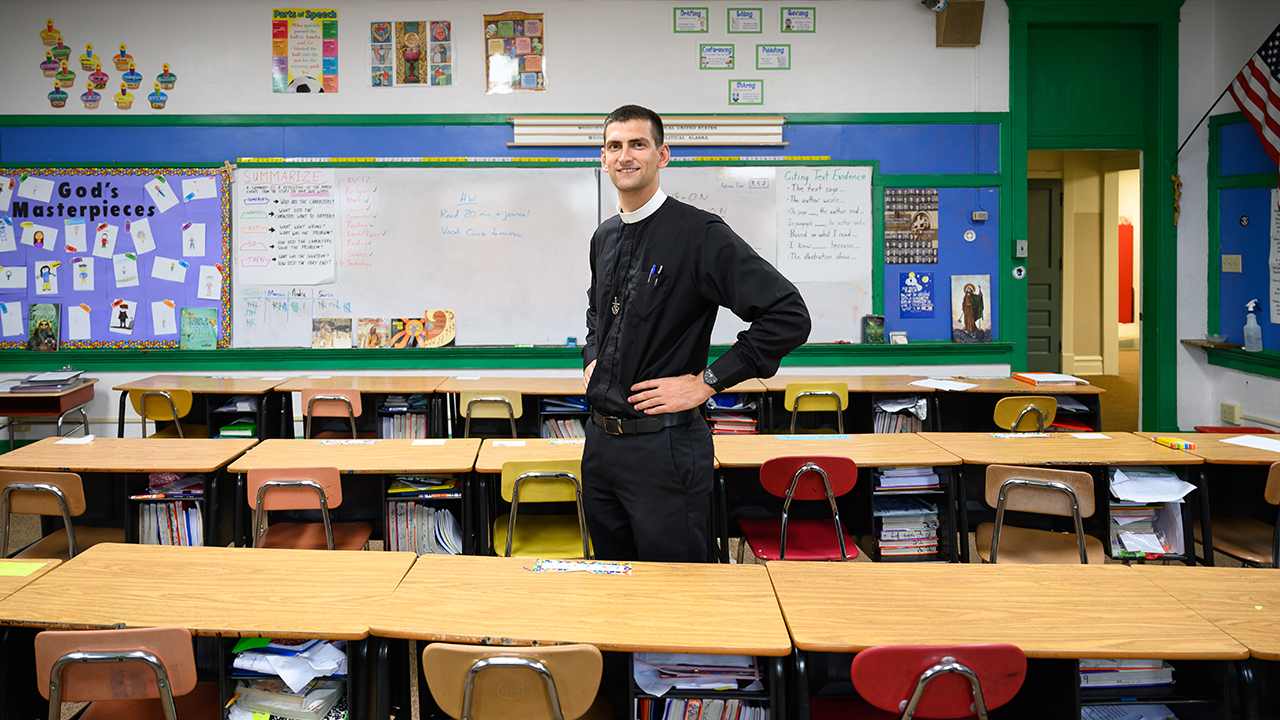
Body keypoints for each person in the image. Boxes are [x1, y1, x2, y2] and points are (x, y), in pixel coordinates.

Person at [581, 105, 811, 562]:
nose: (625, 156)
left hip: (663, 449)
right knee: (611, 583)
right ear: (604, 159)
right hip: (601, 445)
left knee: (679, 592)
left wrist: (706, 382)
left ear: (662, 155)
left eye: (638, 144)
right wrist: (592, 357)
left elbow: (788, 314)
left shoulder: (699, 234)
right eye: (614, 146)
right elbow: (597, 312)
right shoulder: (604, 237)